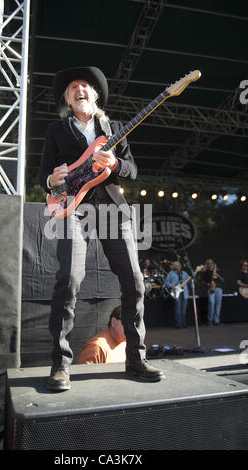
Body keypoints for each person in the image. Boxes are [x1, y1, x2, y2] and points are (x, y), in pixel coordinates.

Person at [39, 66, 164, 391]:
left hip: (111, 206)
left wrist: (117, 165)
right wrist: (51, 180)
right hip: (73, 206)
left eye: (85, 86)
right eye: (72, 88)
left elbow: (133, 170)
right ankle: (60, 365)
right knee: (69, 279)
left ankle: (136, 360)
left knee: (134, 280)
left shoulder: (115, 129)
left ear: (95, 94)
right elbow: (42, 176)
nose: (79, 89)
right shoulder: (56, 130)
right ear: (67, 99)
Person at [200, 258, 224, 325]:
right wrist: (207, 284)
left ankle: (216, 320)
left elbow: (223, 280)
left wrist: (218, 276)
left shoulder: (217, 270)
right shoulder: (204, 271)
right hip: (211, 288)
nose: (210, 264)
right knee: (211, 303)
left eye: (211, 263)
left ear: (213, 264)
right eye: (208, 263)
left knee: (218, 304)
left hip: (218, 288)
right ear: (206, 264)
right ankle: (210, 320)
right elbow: (201, 281)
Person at [165, 261, 189, 328]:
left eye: (179, 265)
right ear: (174, 267)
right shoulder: (171, 274)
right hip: (176, 292)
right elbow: (166, 282)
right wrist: (171, 286)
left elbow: (189, 281)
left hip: (185, 293)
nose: (178, 267)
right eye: (177, 266)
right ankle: (178, 324)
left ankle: (183, 322)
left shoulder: (184, 273)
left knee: (184, 309)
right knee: (178, 309)